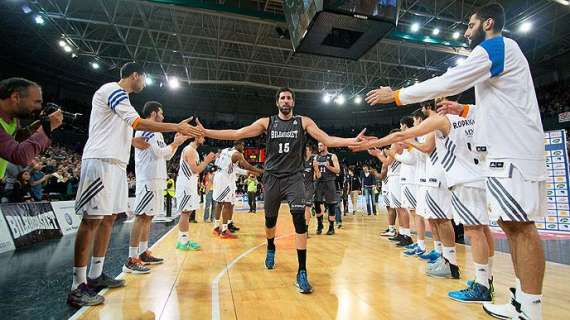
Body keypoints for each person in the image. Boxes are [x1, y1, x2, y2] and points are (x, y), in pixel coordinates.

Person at [363, 3, 546, 319]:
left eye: (470, 24)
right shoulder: (498, 57)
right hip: (500, 155)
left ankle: (531, 307)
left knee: (521, 228)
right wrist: (465, 111)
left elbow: (448, 81)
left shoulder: (496, 46)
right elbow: (496, 105)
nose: (465, 31)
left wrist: (396, 95)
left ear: (488, 23)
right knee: (511, 226)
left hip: (512, 152)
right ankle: (522, 300)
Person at [197, 87, 365, 294]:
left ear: (293, 102)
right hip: (272, 177)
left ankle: (302, 271)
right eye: (282, 98)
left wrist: (351, 141)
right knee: (270, 221)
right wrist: (206, 132)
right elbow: (237, 133)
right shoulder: (266, 122)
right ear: (277, 103)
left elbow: (327, 139)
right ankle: (270, 247)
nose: (286, 101)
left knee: (299, 220)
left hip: (294, 177)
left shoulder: (304, 122)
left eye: (289, 98)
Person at [69, 62, 202, 307]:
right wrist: (176, 127)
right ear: (135, 75)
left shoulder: (124, 101)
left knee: (109, 219)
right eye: (144, 78)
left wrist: (172, 138)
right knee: (91, 221)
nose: (144, 82)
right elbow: (139, 126)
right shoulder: (113, 90)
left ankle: (96, 275)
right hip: (101, 161)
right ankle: (77, 285)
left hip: (118, 164)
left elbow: (136, 136)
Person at [123, 101, 189, 274]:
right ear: (153, 113)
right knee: (141, 217)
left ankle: (143, 253)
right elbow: (161, 153)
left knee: (149, 217)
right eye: (161, 113)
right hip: (147, 179)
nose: (163, 116)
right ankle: (131, 258)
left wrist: (176, 143)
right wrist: (175, 143)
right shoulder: (148, 129)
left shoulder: (156, 132)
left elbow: (166, 156)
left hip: (156, 178)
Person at [0, 78, 63, 179]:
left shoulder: (12, 118)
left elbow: (15, 139)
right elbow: (19, 156)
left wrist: (38, 124)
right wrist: (47, 128)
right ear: (16, 97)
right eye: (35, 102)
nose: (39, 107)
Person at [212, 140, 263, 238]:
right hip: (225, 179)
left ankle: (216, 227)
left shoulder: (225, 150)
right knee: (227, 204)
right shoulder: (238, 154)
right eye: (243, 146)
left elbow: (220, 163)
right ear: (237, 145)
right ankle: (224, 231)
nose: (244, 148)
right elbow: (247, 165)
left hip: (219, 176)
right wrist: (260, 171)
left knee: (220, 203)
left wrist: (248, 172)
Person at [175, 135, 216, 250]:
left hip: (190, 183)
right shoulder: (190, 150)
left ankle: (182, 240)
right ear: (196, 137)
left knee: (187, 213)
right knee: (185, 212)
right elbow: (196, 170)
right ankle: (183, 241)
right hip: (186, 184)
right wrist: (207, 160)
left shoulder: (193, 151)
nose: (204, 139)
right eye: (202, 137)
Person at [314, 142, 341, 235]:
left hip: (330, 182)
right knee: (317, 203)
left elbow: (338, 170)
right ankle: (320, 224)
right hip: (319, 182)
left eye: (321, 145)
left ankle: (331, 227)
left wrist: (328, 166)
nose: (319, 147)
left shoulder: (332, 156)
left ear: (326, 146)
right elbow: (314, 172)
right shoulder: (316, 157)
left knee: (331, 205)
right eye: (318, 145)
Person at [303, 144, 318, 234]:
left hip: (309, 187)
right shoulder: (299, 161)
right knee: (299, 209)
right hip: (299, 187)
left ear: (310, 152)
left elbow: (318, 175)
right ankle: (301, 227)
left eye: (306, 150)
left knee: (306, 208)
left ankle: (306, 229)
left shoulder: (313, 161)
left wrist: (316, 171)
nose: (305, 151)